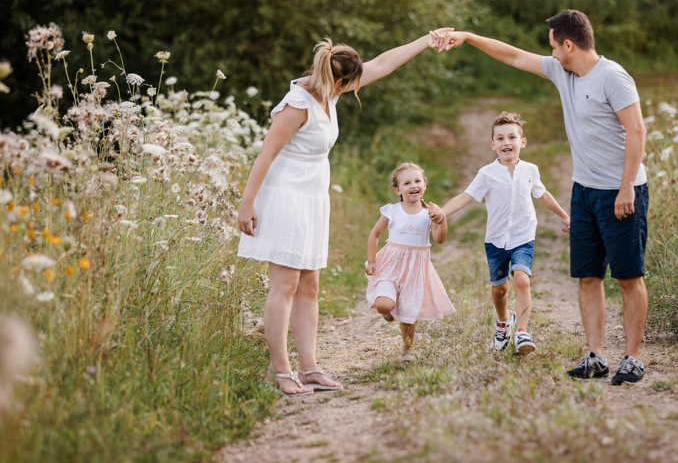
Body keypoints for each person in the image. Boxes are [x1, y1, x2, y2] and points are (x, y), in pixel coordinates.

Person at [437, 11, 649, 385]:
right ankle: (596, 355)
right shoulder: (562, 72)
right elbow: (513, 56)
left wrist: (627, 186)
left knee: (628, 276)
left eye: (553, 46)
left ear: (569, 45)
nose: (549, 53)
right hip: (583, 191)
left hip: (621, 191)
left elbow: (637, 131)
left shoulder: (613, 78)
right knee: (587, 276)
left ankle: (632, 357)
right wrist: (468, 37)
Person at [237, 31, 450, 397]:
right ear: (340, 81)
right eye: (351, 85)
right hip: (286, 196)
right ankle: (281, 370)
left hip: (313, 198)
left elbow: (384, 63)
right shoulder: (297, 103)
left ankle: (310, 367)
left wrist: (425, 42)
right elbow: (266, 154)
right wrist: (247, 202)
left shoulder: (330, 90)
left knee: (310, 284)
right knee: (285, 284)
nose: (354, 90)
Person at [441, 111, 570, 355]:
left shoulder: (530, 170)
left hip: (523, 237)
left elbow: (542, 194)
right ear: (493, 145)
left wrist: (564, 216)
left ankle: (522, 332)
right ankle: (503, 322)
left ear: (522, 142)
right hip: (496, 241)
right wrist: (442, 213)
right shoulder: (486, 174)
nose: (506, 142)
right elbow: (466, 196)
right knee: (499, 289)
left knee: (522, 279)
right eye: (500, 138)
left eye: (512, 137)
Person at [365, 162, 454, 363]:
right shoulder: (392, 211)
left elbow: (439, 239)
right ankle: (387, 311)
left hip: (415, 269)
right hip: (390, 265)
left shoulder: (429, 213)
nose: (413, 185)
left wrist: (442, 218)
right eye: (407, 183)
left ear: (424, 184)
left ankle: (407, 349)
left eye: (417, 181)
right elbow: (374, 235)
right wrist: (372, 260)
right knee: (382, 304)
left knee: (408, 312)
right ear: (398, 190)